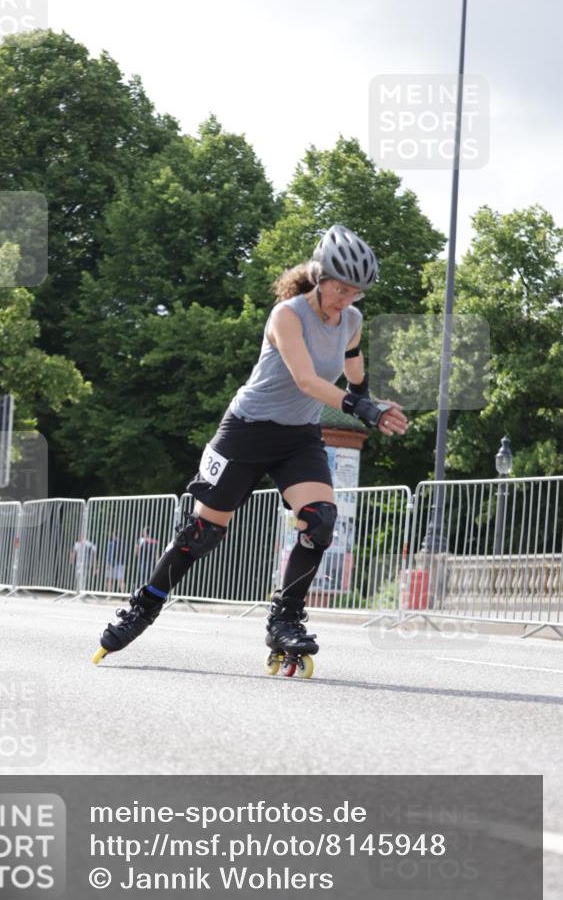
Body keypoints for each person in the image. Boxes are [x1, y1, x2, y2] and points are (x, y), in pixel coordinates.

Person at [95, 224, 407, 669]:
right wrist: (362, 408)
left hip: (299, 436)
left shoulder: (352, 321)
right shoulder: (287, 315)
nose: (347, 299)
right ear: (320, 277)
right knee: (203, 534)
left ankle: (285, 619)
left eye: (356, 292)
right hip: (246, 431)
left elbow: (352, 363)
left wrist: (368, 400)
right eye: (341, 288)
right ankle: (142, 608)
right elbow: (306, 380)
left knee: (320, 522)